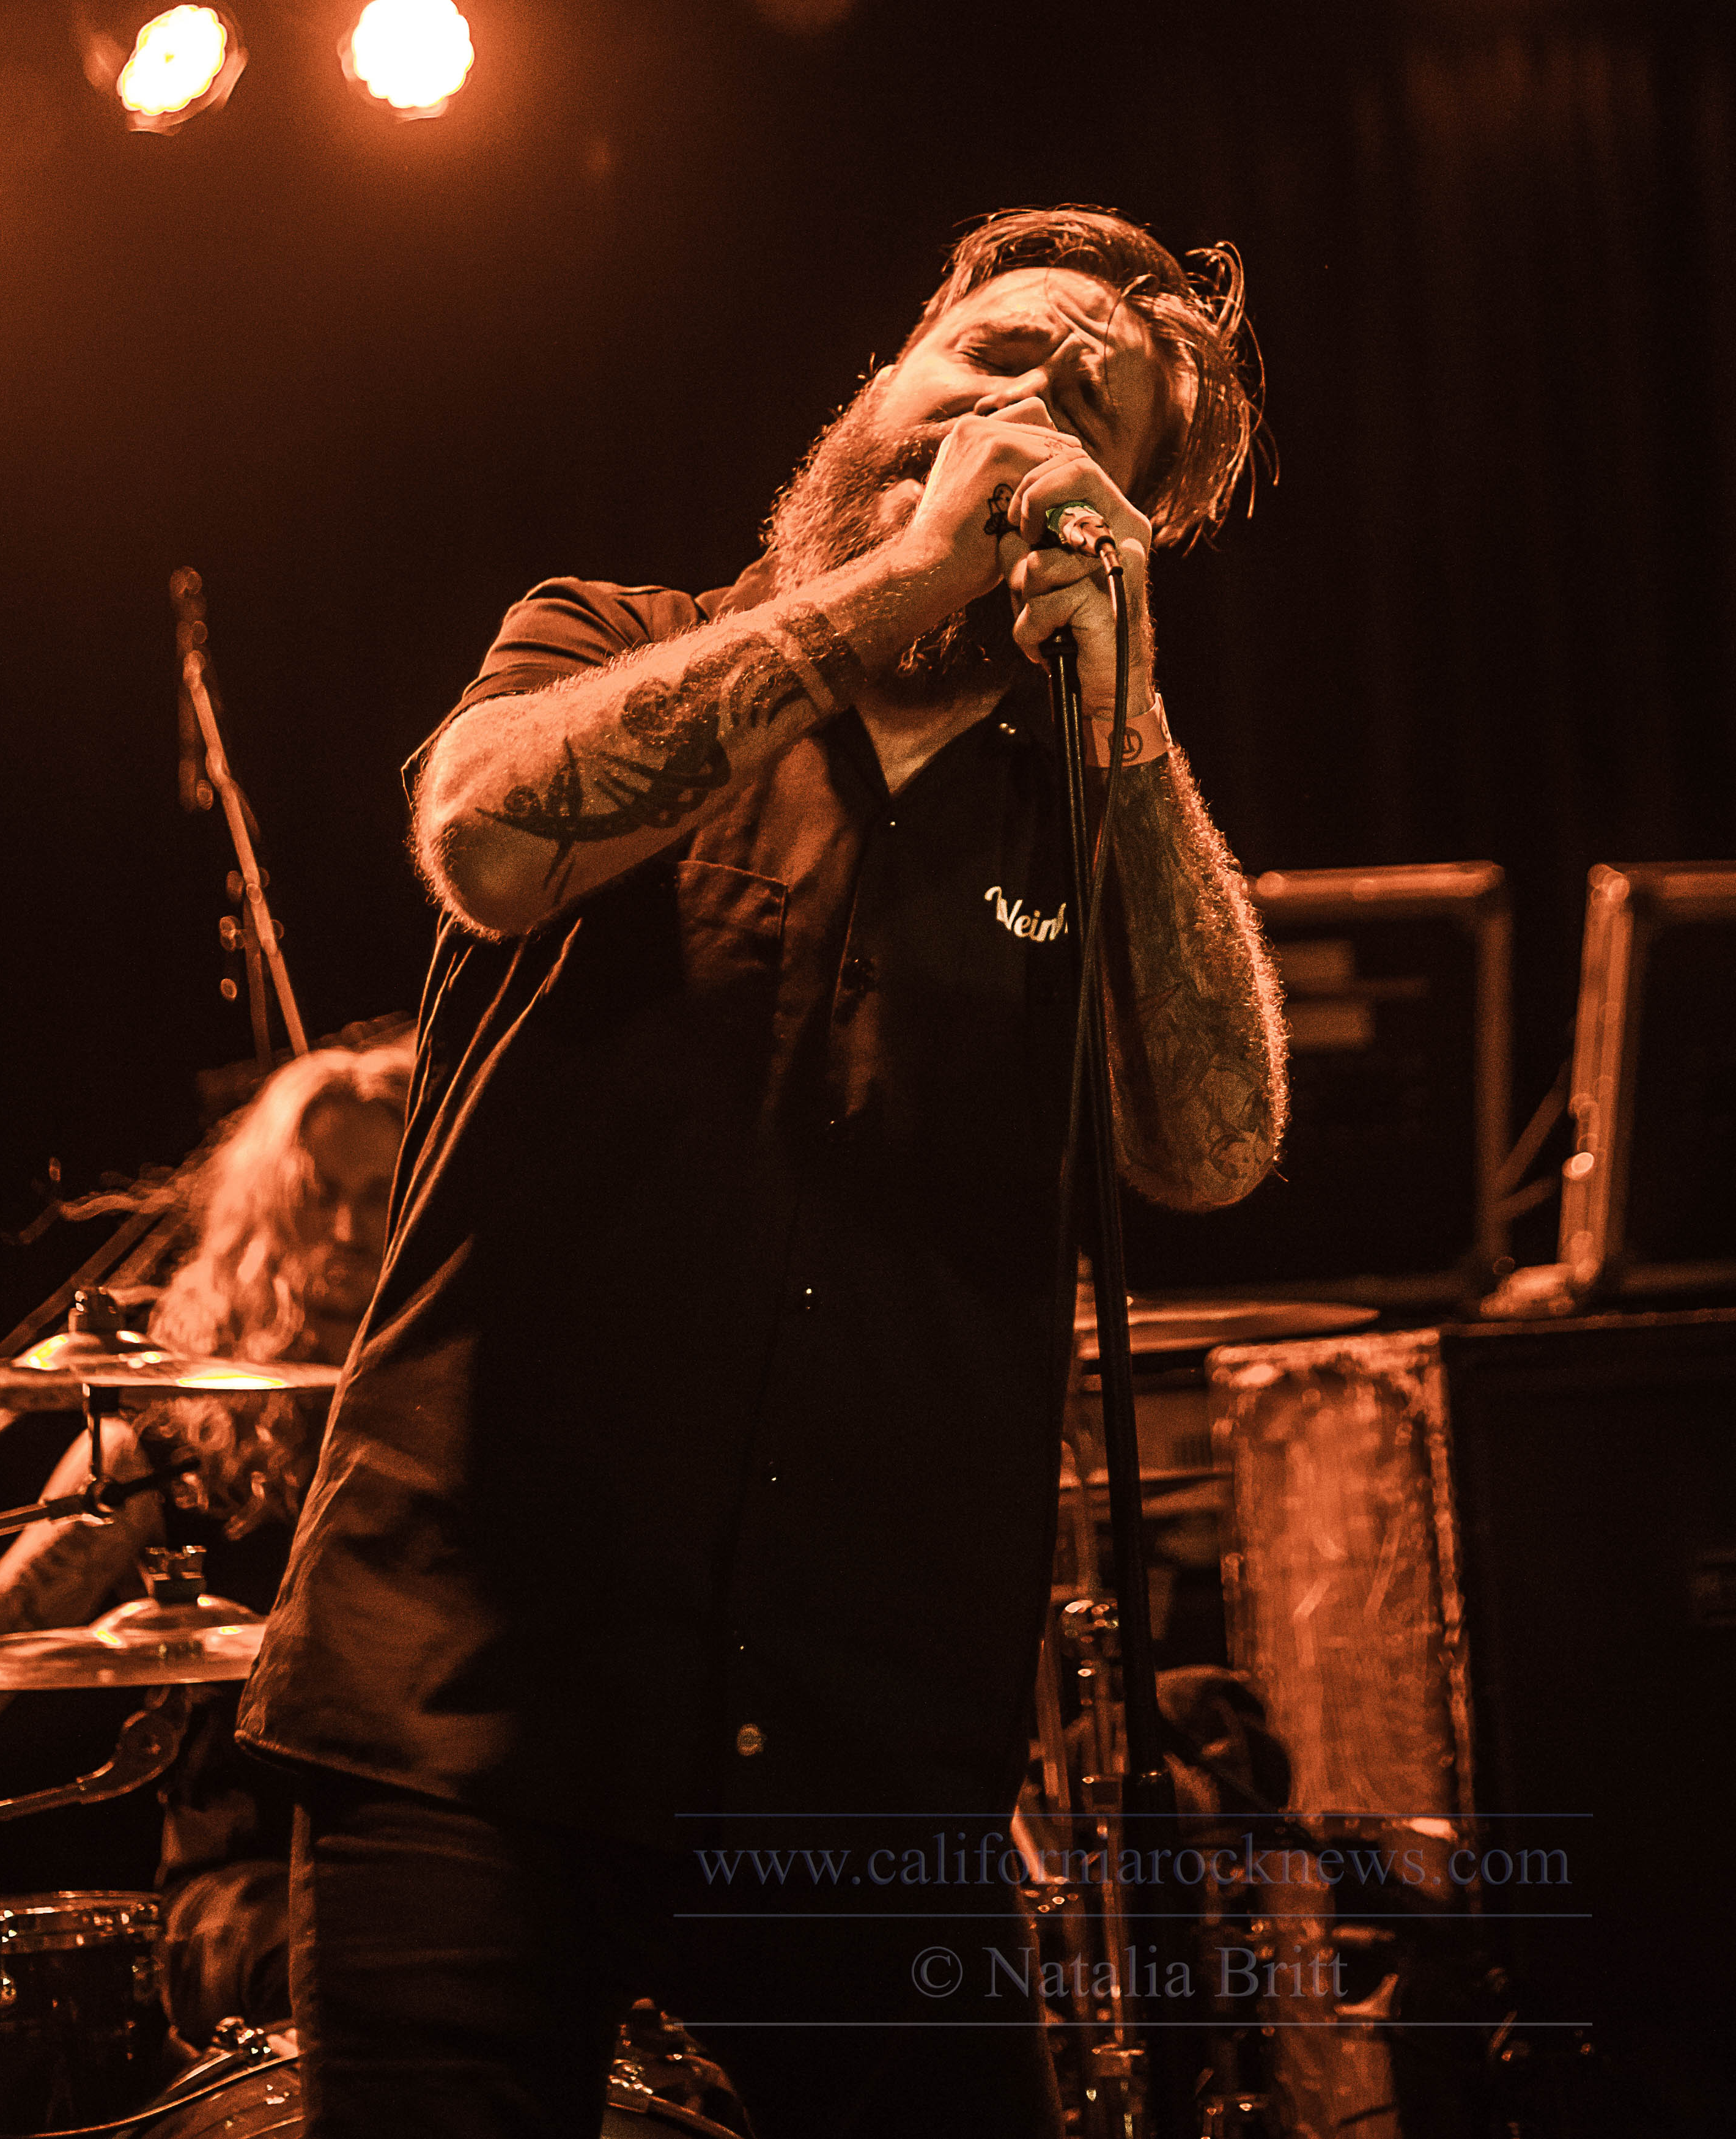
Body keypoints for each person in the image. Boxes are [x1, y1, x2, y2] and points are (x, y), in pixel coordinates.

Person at [236, 205, 1289, 2139]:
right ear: (884, 384)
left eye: (1086, 408)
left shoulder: (1084, 810)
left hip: (865, 1758)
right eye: (992, 354)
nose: (1020, 408)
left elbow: (1215, 1145)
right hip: (478, 1698)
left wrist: (1126, 714)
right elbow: (483, 843)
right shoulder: (615, 638)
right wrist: (895, 588)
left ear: (1117, 525)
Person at [0, 1041, 409, 2047]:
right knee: (348, 1963)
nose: (350, 1232)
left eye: (380, 1195)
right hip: (247, 1889)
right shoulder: (167, 1437)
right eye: (316, 1196)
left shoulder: (473, 1429)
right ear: (263, 1214)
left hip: (441, 1866)